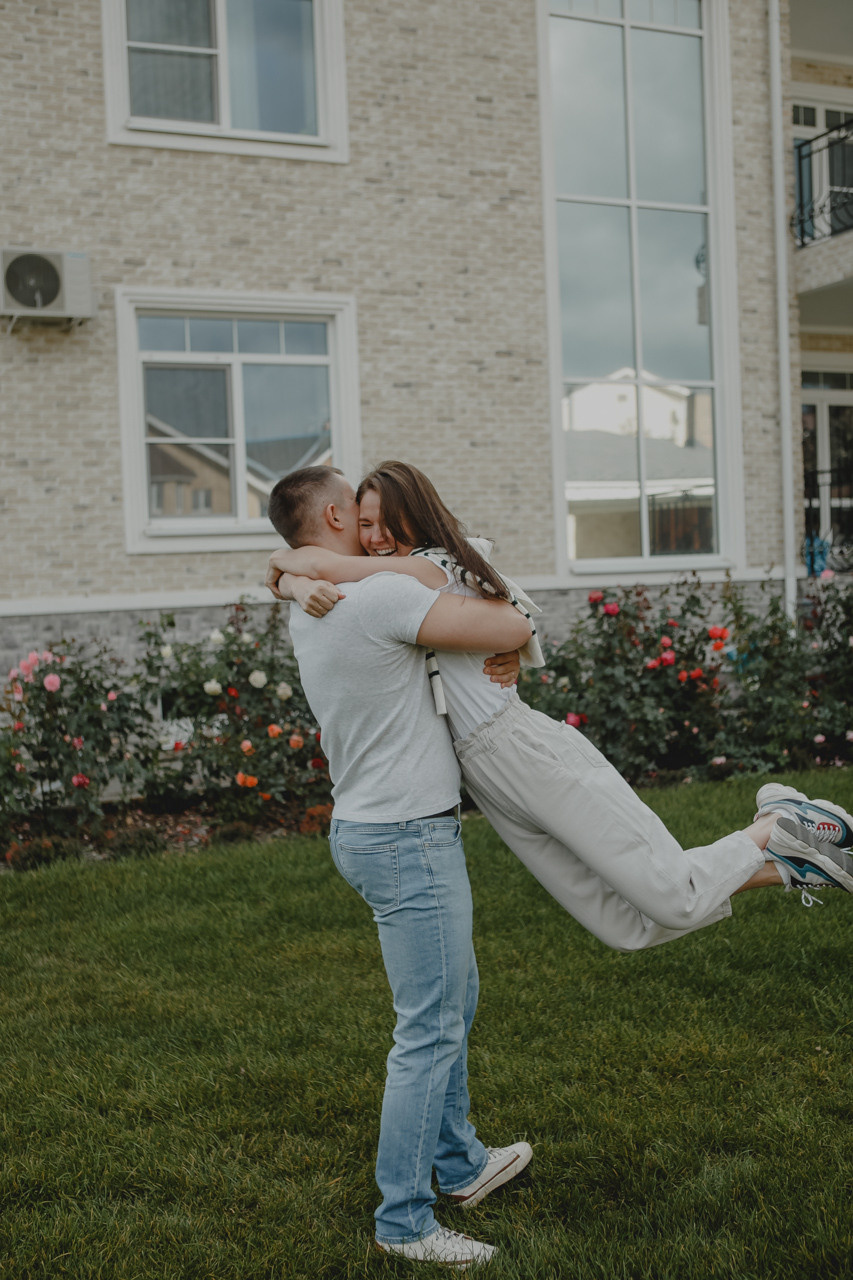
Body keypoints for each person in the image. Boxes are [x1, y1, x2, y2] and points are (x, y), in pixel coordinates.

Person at [267, 461, 853, 957]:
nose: (370, 537)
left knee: (673, 895)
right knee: (625, 925)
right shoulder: (396, 580)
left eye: (376, 522)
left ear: (411, 515)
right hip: (485, 775)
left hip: (520, 748)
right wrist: (289, 576)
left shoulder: (429, 565)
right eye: (361, 524)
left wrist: (291, 568)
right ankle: (794, 853)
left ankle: (779, 825)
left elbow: (333, 566)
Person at [266, 464, 535, 1269]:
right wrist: (512, 639)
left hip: (371, 827)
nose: (373, 521)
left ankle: (460, 1163)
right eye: (360, 507)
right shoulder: (374, 594)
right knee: (427, 1030)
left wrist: (284, 573)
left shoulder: (312, 598)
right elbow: (508, 627)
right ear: (340, 514)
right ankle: (404, 1221)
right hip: (407, 838)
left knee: (451, 1001)